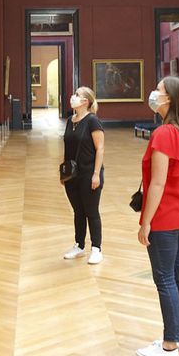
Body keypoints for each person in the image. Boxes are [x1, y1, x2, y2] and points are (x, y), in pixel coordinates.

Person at [136, 76, 179, 356]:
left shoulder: (163, 133)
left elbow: (158, 184)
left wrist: (145, 221)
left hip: (164, 217)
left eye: (159, 90)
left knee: (165, 280)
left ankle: (169, 345)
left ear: (169, 99)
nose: (155, 94)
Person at [62, 86, 105, 265]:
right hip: (72, 175)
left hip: (89, 173)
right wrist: (64, 173)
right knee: (78, 211)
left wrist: (96, 174)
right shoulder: (70, 121)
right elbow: (67, 147)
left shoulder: (92, 121)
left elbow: (100, 148)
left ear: (85, 101)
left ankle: (96, 248)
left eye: (77, 95)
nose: (73, 97)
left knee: (91, 211)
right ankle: (79, 245)